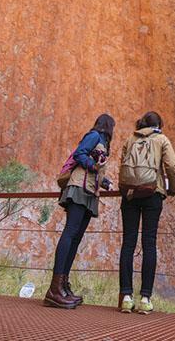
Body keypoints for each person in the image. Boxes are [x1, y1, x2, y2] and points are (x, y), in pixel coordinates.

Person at [45, 113, 115, 309]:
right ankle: (54, 289)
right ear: (108, 126)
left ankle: (62, 286)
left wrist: (106, 182)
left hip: (89, 191)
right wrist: (93, 166)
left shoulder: (103, 143)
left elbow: (95, 168)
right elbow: (79, 154)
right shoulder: (94, 136)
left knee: (75, 238)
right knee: (70, 233)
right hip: (78, 188)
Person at [116, 111, 175, 315]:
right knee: (149, 243)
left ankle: (126, 297)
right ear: (158, 125)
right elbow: (171, 165)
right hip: (153, 193)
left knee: (128, 243)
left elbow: (122, 164)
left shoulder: (130, 139)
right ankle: (145, 298)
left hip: (130, 194)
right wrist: (172, 188)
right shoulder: (161, 139)